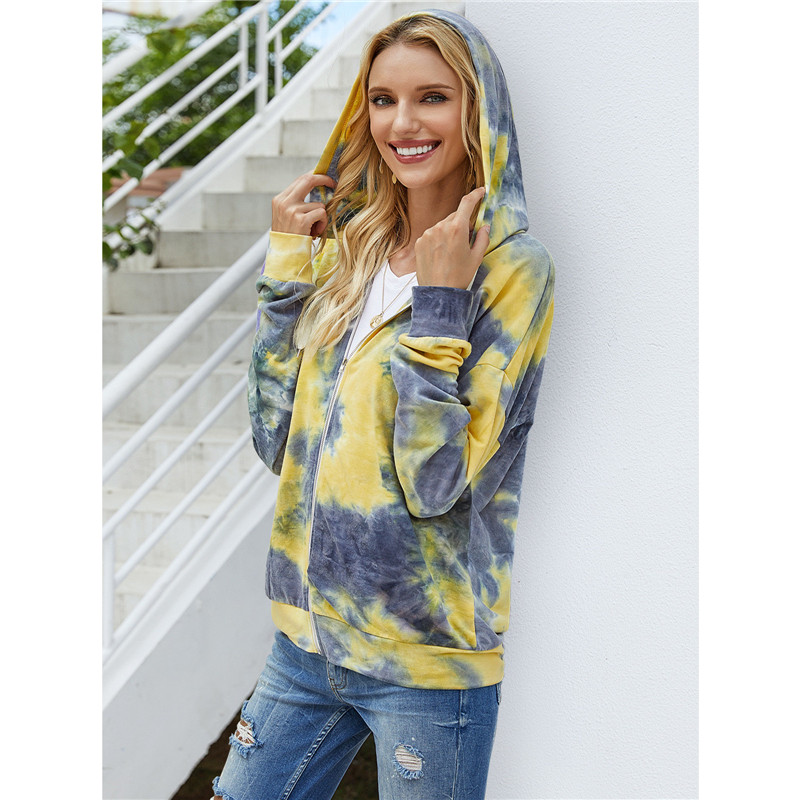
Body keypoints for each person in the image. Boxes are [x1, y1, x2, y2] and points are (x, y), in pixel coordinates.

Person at [212, 9, 555, 800]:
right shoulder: (352, 251)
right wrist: (288, 272)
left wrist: (440, 304)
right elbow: (274, 440)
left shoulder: (513, 271)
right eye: (382, 100)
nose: (403, 123)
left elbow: (435, 485)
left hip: (424, 661)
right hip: (305, 643)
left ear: (477, 110)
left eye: (432, 97)